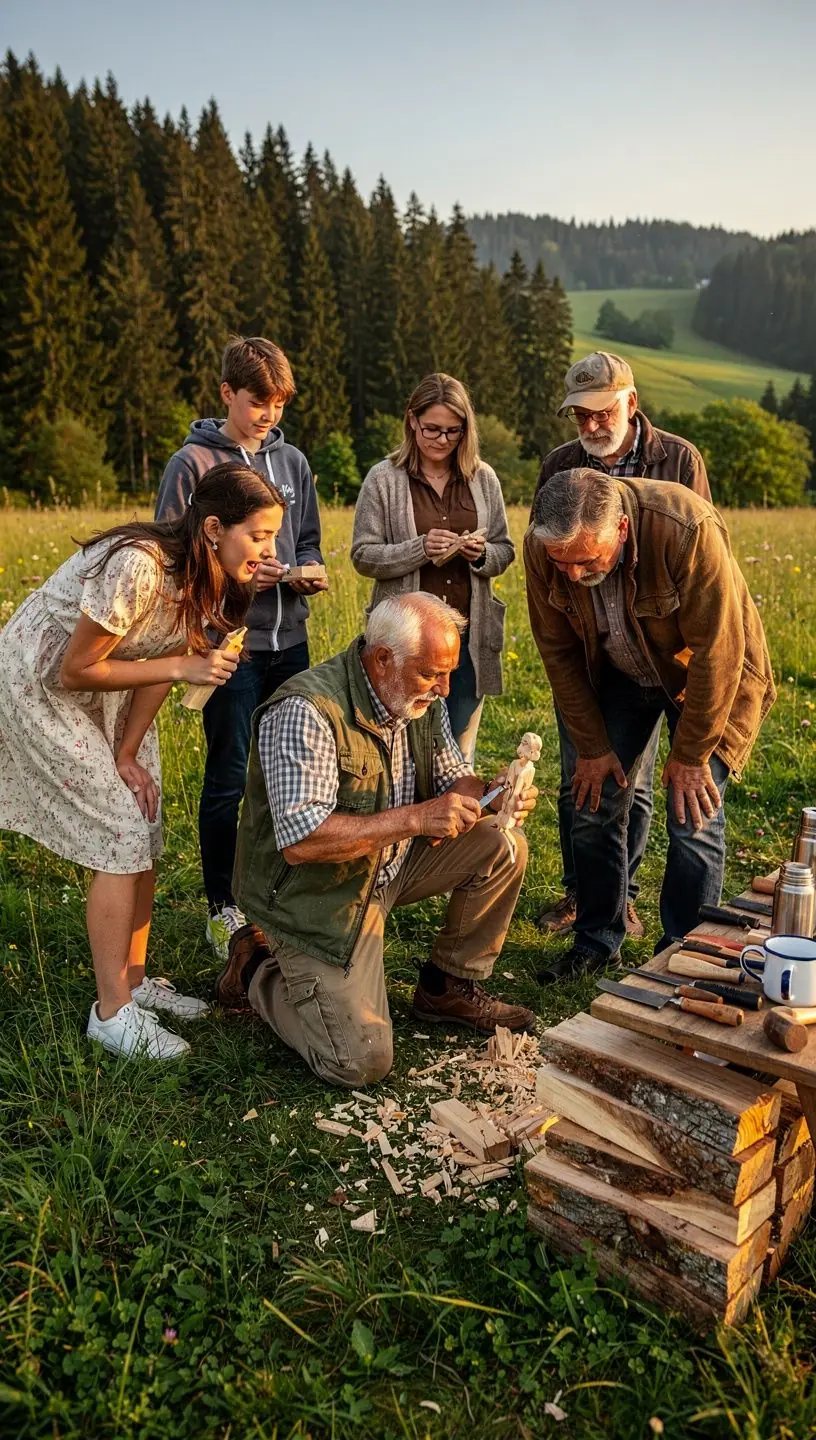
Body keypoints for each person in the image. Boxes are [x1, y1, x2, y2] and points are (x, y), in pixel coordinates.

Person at [0, 465, 285, 1059]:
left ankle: (134, 980)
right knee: (119, 832)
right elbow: (76, 668)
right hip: (43, 679)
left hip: (113, 682)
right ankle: (111, 1014)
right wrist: (183, 667)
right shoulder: (140, 565)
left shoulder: (222, 578)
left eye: (273, 537)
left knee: (143, 818)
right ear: (213, 528)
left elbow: (167, 649)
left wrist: (126, 753)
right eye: (258, 535)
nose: (269, 550)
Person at [214, 593, 538, 1088]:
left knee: (502, 844)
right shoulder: (308, 709)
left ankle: (447, 985)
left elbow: (453, 775)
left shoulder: (416, 697)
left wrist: (490, 795)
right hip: (312, 894)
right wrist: (416, 819)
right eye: (434, 673)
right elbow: (303, 842)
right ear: (384, 658)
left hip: (386, 865)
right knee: (358, 1061)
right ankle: (257, 964)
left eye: (448, 673)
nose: (446, 689)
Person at [524, 468, 775, 981]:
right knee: (592, 803)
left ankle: (684, 956)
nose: (572, 575)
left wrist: (691, 755)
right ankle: (596, 941)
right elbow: (558, 651)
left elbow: (718, 652)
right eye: (561, 562)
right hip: (620, 672)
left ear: (620, 527)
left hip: (708, 679)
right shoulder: (543, 544)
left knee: (693, 815)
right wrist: (591, 746)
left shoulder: (685, 528)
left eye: (588, 560)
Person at [156, 335, 326, 963]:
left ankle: (279, 891)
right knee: (229, 773)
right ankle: (223, 907)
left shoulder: (296, 463)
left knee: (291, 771)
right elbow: (174, 558)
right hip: (228, 644)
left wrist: (309, 569)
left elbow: (308, 540)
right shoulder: (192, 464)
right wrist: (235, 578)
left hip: (292, 639)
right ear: (227, 393)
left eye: (279, 404)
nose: (269, 415)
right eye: (258, 402)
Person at [534, 352, 711, 942]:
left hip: (681, 657)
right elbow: (553, 575)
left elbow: (708, 596)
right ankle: (594, 915)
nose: (589, 427)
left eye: (600, 412)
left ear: (630, 403)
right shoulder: (560, 468)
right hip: (603, 652)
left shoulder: (678, 463)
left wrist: (693, 749)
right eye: (578, 416)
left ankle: (677, 946)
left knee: (689, 803)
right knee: (590, 781)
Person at [350, 373, 513, 763]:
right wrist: (420, 548)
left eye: (453, 432)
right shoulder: (384, 479)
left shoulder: (482, 477)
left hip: (467, 643)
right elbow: (363, 555)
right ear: (411, 420)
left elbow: (504, 550)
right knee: (399, 750)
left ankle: (452, 823)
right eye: (432, 429)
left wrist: (479, 553)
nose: (442, 440)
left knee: (457, 752)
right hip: (405, 645)